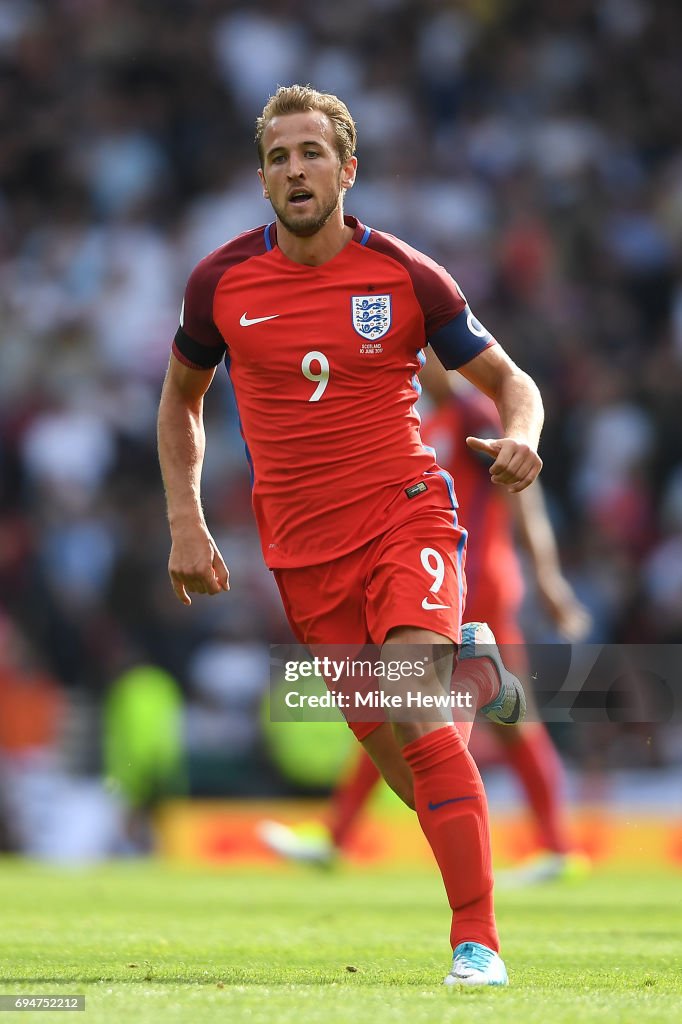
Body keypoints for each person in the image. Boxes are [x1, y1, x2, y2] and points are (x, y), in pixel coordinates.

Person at [157, 84, 544, 987]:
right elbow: (181, 400)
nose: (297, 169)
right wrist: (186, 516)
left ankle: (476, 944)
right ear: (262, 180)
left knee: (413, 702)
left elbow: (511, 380)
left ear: (347, 169)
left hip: (406, 511)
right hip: (301, 554)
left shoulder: (406, 275)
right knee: (404, 757)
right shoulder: (220, 283)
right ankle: (472, 675)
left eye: (313, 153)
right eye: (280, 157)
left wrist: (523, 437)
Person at [259, 355, 592, 884]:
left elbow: (520, 494)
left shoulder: (470, 415)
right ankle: (556, 846)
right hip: (445, 578)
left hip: (468, 583)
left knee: (412, 707)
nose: (416, 365)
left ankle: (338, 835)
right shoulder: (427, 421)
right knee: (441, 711)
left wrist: (547, 576)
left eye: (425, 355)